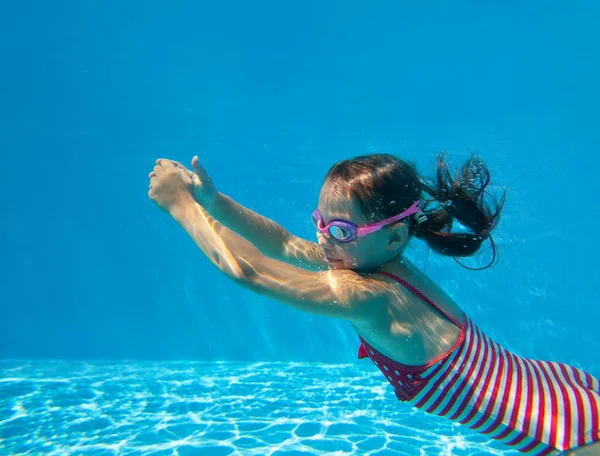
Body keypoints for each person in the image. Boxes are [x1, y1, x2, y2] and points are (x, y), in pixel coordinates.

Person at [148, 152, 600, 455]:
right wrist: (212, 200)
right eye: (320, 222)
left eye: (340, 230)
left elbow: (250, 271)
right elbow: (284, 243)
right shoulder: (381, 262)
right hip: (570, 390)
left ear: (397, 235)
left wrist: (181, 207)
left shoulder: (369, 296)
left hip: (567, 437)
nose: (323, 237)